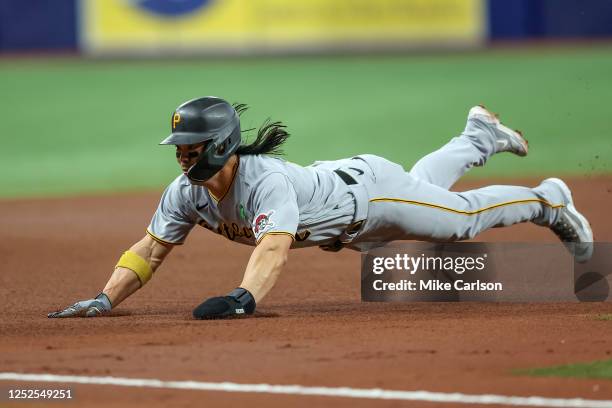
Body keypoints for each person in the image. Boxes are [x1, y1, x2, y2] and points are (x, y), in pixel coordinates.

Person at [48, 97, 593, 319]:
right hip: (354, 215)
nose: (183, 159)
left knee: (458, 221)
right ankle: (477, 137)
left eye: (192, 149)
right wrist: (102, 299)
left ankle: (549, 200)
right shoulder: (186, 193)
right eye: (181, 150)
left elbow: (274, 249)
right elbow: (151, 248)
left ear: (220, 146)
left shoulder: (266, 183)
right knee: (426, 192)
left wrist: (243, 300)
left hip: (371, 197)